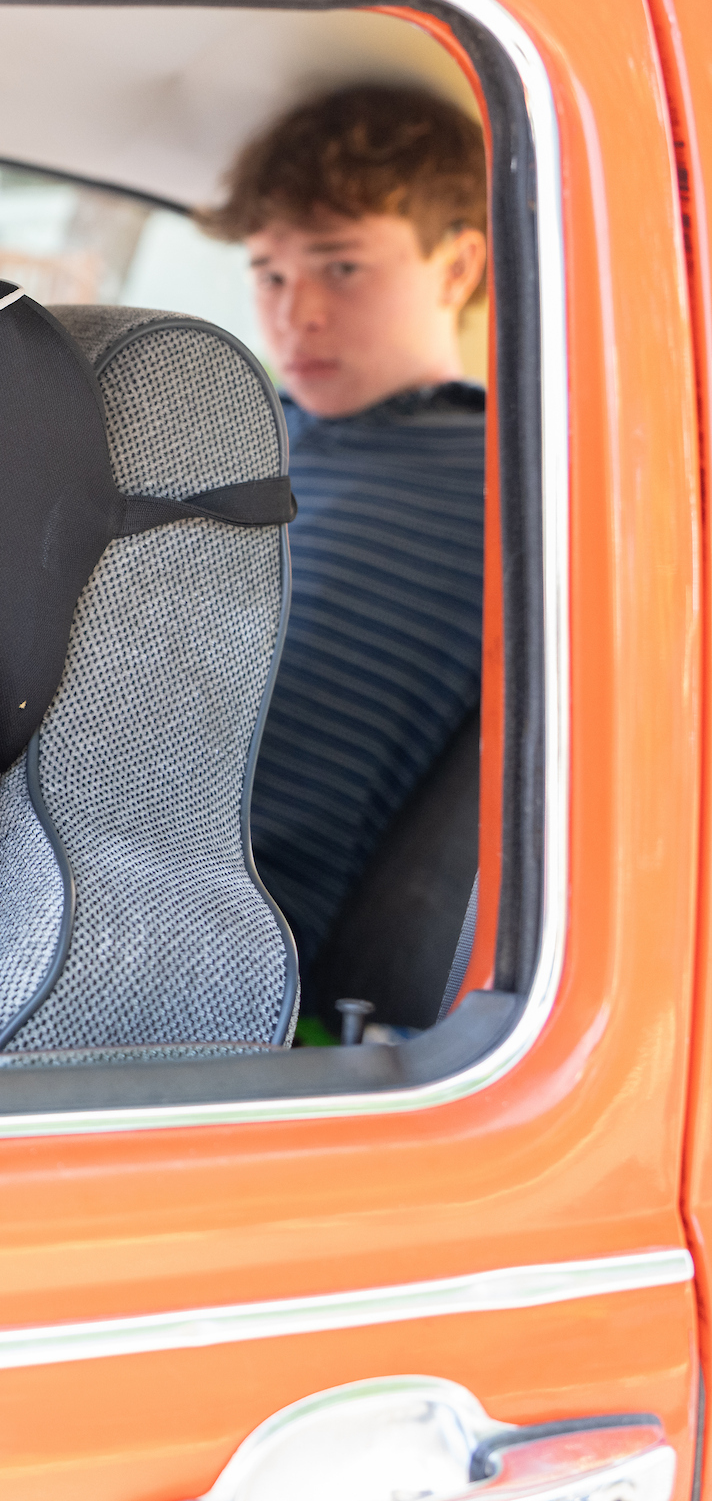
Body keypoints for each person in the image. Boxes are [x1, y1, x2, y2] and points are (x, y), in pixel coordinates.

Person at [197, 84, 490, 972]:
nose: (297, 313)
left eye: (342, 267)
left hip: (231, 942)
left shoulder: (495, 478)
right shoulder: (243, 436)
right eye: (270, 273)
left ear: (456, 268)